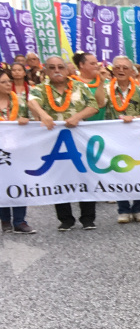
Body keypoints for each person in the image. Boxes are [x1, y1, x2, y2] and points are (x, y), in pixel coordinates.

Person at [26, 56, 101, 231]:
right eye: (52, 67)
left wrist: (77, 116)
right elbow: (32, 101)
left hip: (79, 140)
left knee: (85, 176)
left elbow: (94, 106)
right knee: (59, 179)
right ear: (45, 71)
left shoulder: (79, 86)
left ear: (67, 70)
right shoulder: (40, 89)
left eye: (60, 67)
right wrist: (43, 114)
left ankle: (88, 218)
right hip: (54, 143)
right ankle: (66, 219)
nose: (57, 70)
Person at [97, 56, 140, 224]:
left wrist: (133, 118)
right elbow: (99, 103)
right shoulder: (107, 88)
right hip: (115, 139)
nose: (121, 70)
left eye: (125, 68)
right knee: (118, 172)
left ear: (131, 71)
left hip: (136, 138)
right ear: (113, 70)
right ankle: (123, 209)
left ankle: (138, 208)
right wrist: (100, 81)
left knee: (138, 172)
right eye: (117, 67)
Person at [0, 70, 34, 234]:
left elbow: (32, 119)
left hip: (18, 149)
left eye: (9, 81)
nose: (8, 84)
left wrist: (26, 120)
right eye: (4, 82)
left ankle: (20, 221)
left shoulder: (18, 101)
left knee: (19, 182)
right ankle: (5, 220)